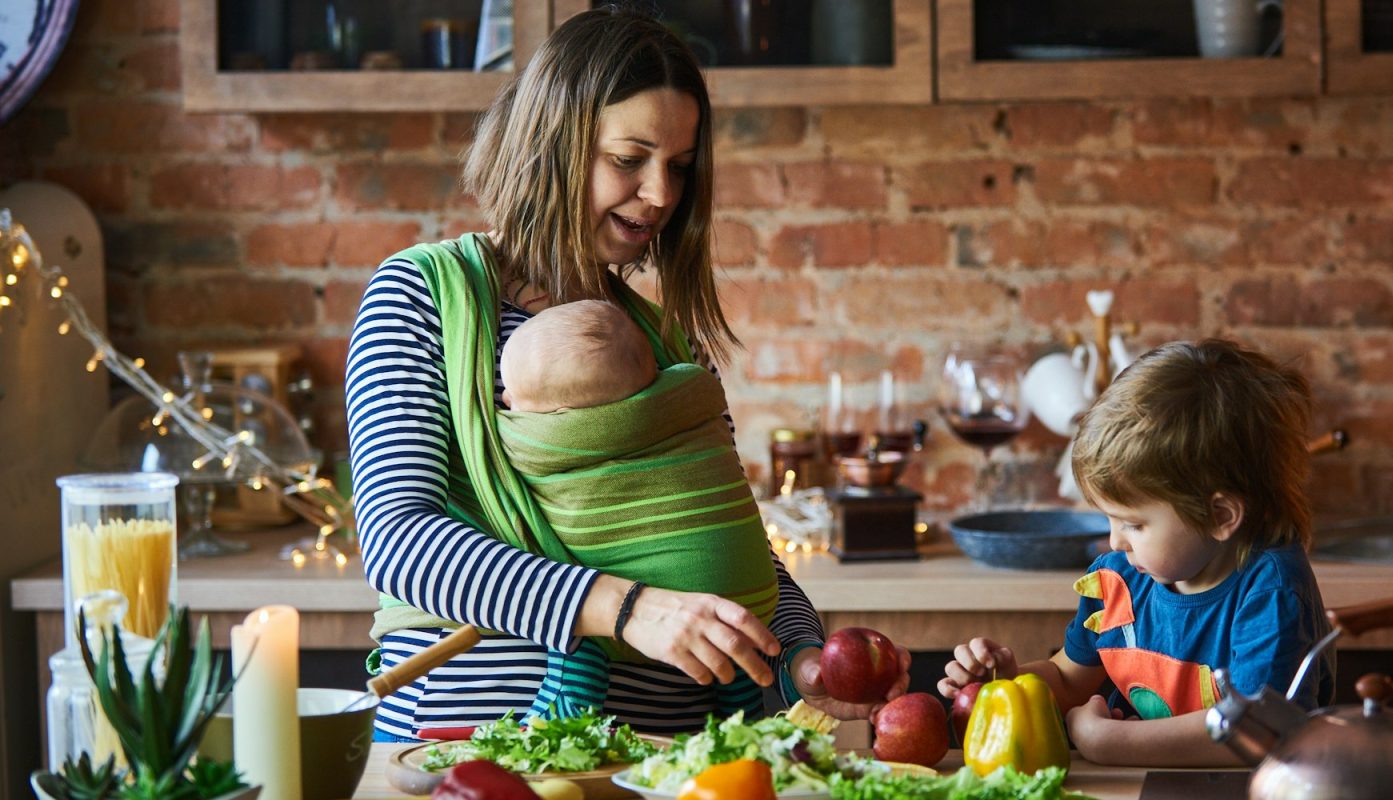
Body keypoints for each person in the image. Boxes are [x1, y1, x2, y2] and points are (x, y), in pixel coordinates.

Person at [345, 6, 908, 742]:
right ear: (555, 142)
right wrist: (628, 608)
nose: (662, 195)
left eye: (678, 166)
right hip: (474, 750)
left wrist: (801, 657)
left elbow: (735, 545)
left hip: (673, 764)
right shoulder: (425, 297)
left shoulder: (668, 344)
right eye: (629, 159)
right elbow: (401, 542)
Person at [938, 339, 1334, 767]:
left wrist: (1107, 741)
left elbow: (1259, 729)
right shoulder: (1119, 581)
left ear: (1220, 515)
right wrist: (1006, 681)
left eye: (1134, 524)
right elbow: (1070, 681)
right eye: (1109, 520)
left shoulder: (1269, 587)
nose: (1114, 542)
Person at [496, 299, 779, 720]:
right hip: (748, 603)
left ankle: (562, 715)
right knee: (737, 682)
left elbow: (505, 452)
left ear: (563, 417)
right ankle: (745, 720)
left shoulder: (550, 440)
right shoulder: (688, 394)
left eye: (513, 397)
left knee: (576, 639)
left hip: (628, 637)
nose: (505, 399)